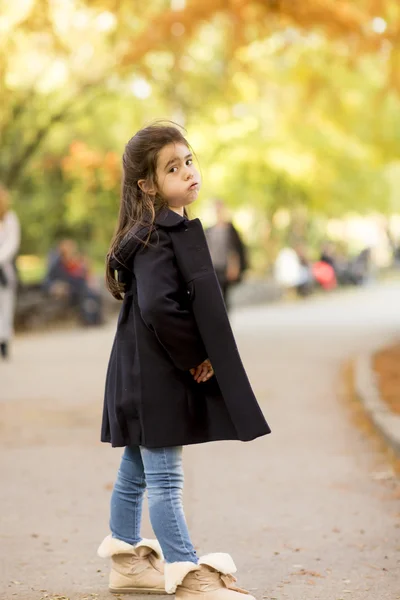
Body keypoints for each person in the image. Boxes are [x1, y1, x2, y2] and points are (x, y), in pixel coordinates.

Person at [98, 124, 271, 599]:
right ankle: (185, 571)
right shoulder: (157, 235)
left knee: (136, 466)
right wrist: (197, 355)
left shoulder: (162, 227)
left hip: (143, 368)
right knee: (166, 477)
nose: (188, 172)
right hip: (154, 371)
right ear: (148, 186)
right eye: (173, 168)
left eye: (189, 161)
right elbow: (158, 307)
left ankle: (128, 564)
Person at [44, 239, 103, 326]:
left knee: (93, 294)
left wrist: (89, 277)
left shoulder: (74, 261)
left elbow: (83, 273)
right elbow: (47, 280)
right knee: (86, 293)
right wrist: (55, 286)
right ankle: (89, 320)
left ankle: (96, 319)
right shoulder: (57, 264)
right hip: (68, 289)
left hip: (78, 287)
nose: (71, 252)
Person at [205, 200, 247, 309]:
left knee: (225, 295)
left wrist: (234, 267)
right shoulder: (209, 230)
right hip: (213, 267)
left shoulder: (231, 230)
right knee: (215, 295)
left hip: (226, 267)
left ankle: (225, 320)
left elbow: (235, 250)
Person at [0, 185, 21, 360]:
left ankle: (4, 341)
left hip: (4, 271)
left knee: (6, 307)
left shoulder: (10, 219)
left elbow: (12, 244)